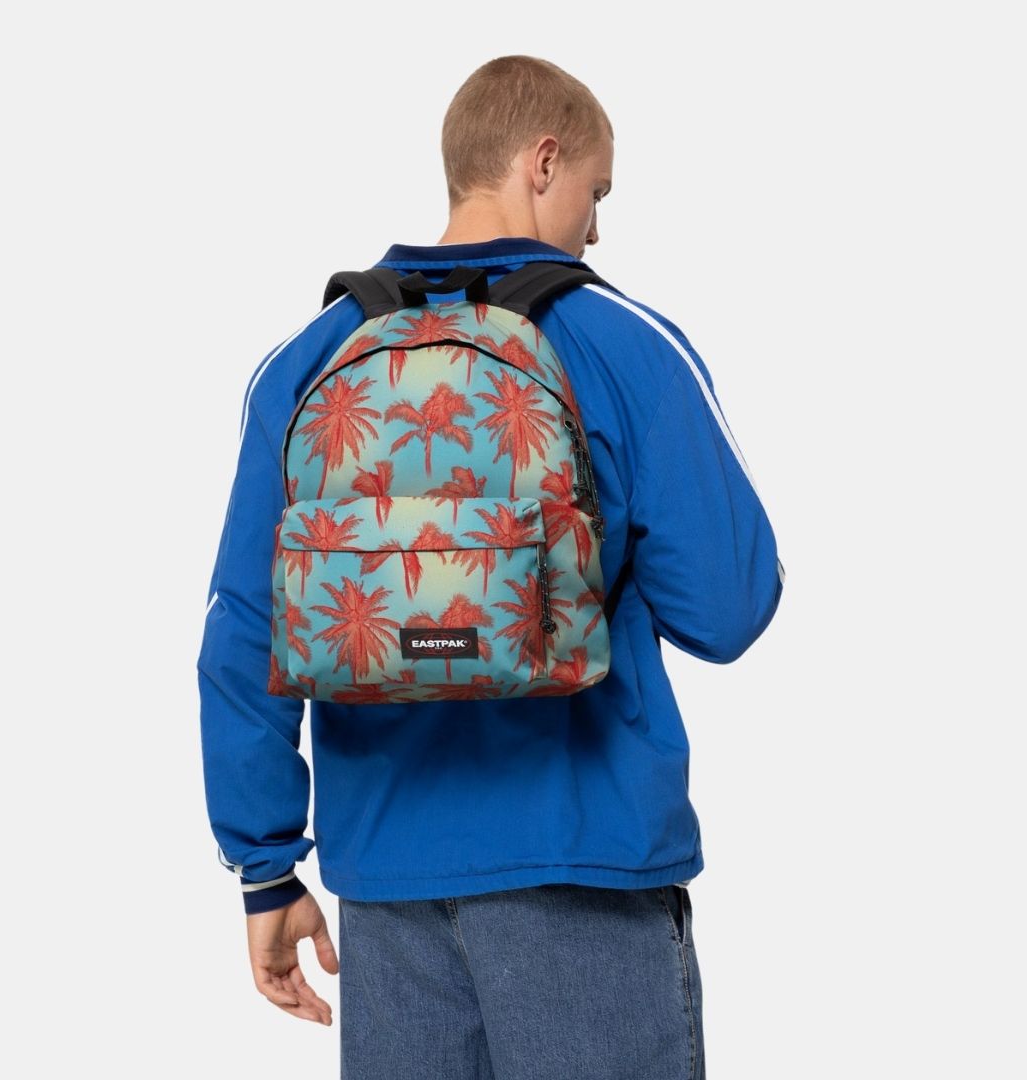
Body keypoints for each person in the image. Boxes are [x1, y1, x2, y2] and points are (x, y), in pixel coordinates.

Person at [197, 54, 784, 1080]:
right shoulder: (623, 342)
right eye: (597, 192)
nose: (596, 230)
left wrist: (266, 866)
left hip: (386, 885)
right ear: (543, 162)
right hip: (585, 868)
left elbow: (245, 629)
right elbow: (729, 608)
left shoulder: (309, 357)